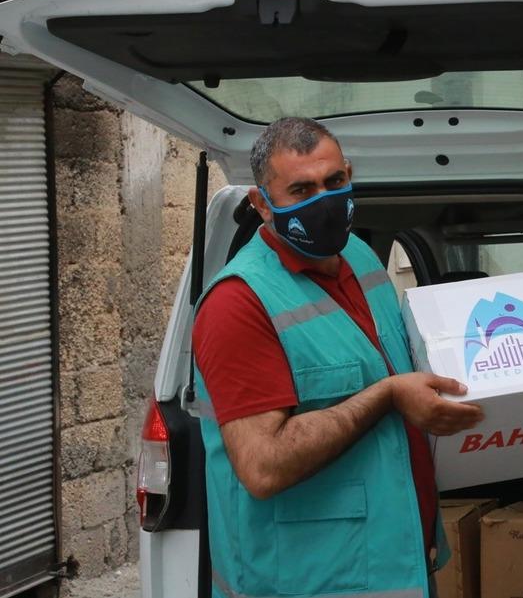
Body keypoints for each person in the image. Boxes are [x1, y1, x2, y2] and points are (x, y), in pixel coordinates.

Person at [192, 117, 483, 598]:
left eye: (334, 182)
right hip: (305, 582)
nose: (323, 202)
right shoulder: (238, 303)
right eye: (301, 191)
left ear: (349, 173)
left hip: (395, 565)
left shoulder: (362, 258)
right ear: (262, 204)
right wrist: (388, 396)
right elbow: (263, 465)